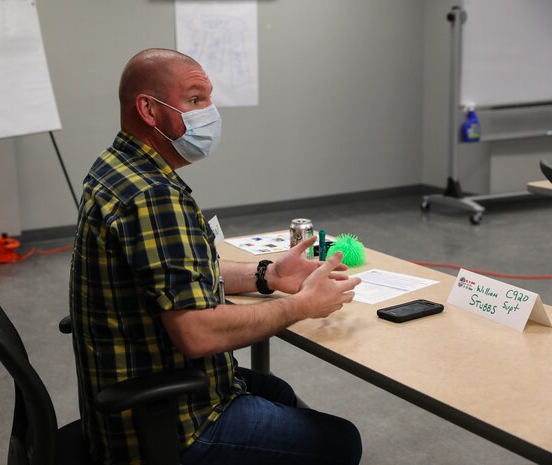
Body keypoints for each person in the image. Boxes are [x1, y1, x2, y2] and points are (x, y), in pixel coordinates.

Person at [69, 48, 362, 465]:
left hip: (141, 392)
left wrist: (270, 275)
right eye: (193, 100)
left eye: (208, 99)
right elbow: (198, 333)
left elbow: (173, 273)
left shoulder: (117, 168)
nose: (208, 112)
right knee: (341, 442)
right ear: (149, 110)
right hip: (170, 427)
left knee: (276, 392)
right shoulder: (152, 195)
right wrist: (302, 305)